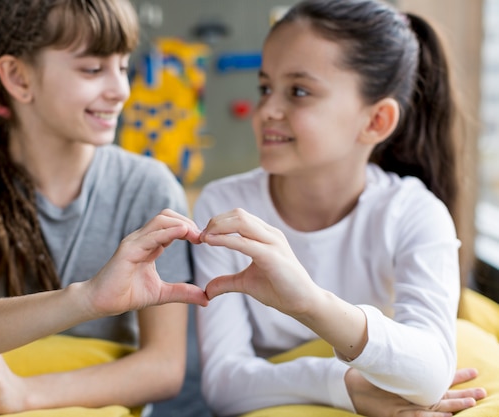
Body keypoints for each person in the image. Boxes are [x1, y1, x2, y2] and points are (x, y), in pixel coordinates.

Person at [0, 0, 208, 415]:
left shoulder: (150, 189)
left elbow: (164, 367)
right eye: (92, 69)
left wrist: (23, 395)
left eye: (122, 66)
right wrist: (87, 298)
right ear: (18, 77)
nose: (121, 89)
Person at [192, 0, 487, 416]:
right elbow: (223, 384)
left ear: (377, 121)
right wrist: (344, 383)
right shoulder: (224, 206)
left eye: (298, 91)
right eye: (264, 87)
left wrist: (309, 303)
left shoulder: (414, 212)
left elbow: (432, 374)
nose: (267, 111)